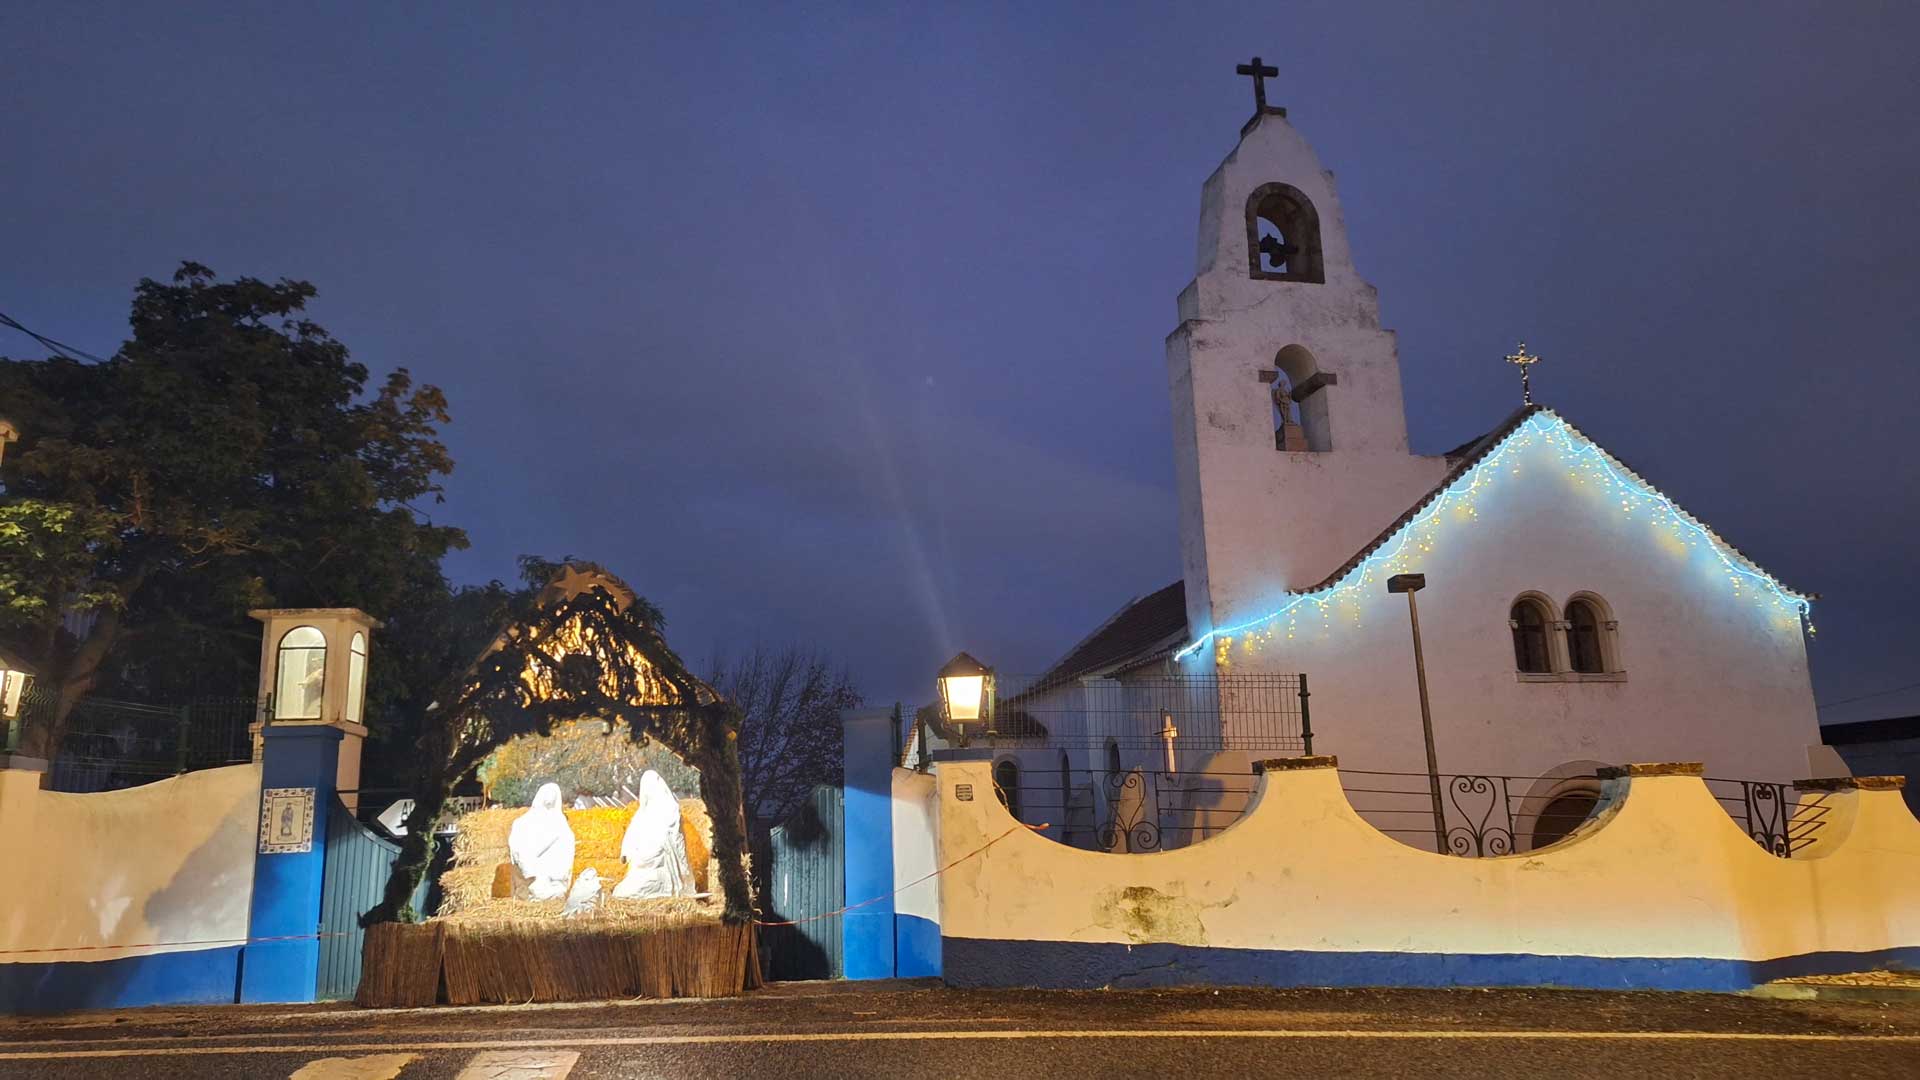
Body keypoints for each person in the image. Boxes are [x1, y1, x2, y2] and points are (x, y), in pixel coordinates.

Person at [614, 770, 693, 899]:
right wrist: (626, 852)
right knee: (628, 890)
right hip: (644, 863)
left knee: (639, 888)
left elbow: (677, 839)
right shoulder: (643, 812)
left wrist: (683, 868)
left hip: (662, 861)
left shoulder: (670, 809)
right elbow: (633, 832)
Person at [508, 782, 575, 901]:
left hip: (545, 882)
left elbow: (566, 852)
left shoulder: (521, 823)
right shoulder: (560, 825)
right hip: (540, 883)